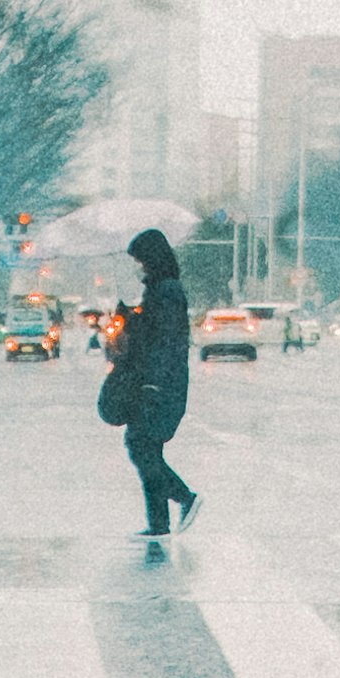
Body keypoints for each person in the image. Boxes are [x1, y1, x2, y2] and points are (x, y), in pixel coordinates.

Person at [109, 226, 196, 546]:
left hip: (161, 384)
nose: (139, 267)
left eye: (142, 260)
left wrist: (154, 384)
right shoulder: (159, 289)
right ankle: (157, 522)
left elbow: (165, 342)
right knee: (146, 446)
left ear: (152, 258)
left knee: (140, 444)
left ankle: (184, 496)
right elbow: (150, 332)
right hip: (154, 380)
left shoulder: (167, 291)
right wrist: (129, 318)